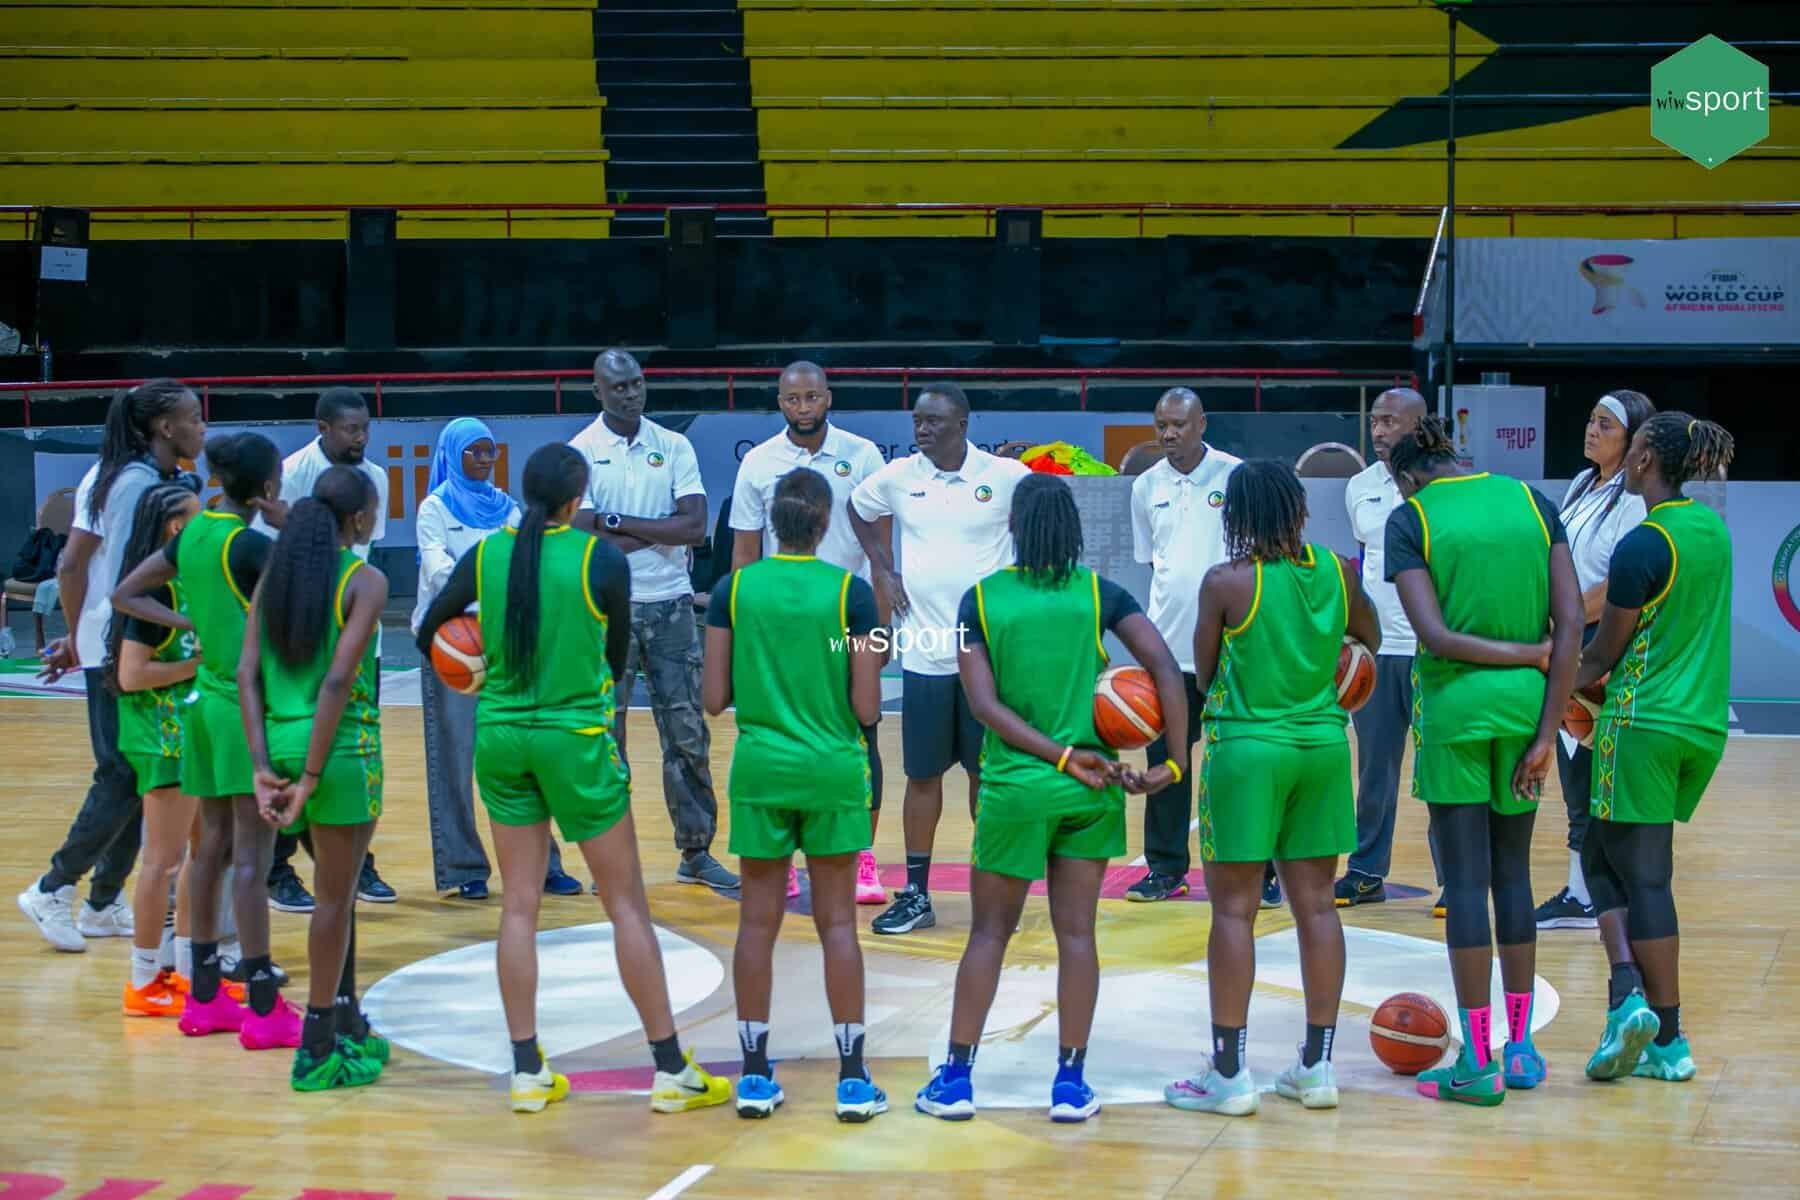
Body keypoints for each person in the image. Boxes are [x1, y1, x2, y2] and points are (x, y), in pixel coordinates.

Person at [418, 444, 731, 1116]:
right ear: (575, 498)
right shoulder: (602, 559)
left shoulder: (484, 555)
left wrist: (471, 665)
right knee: (625, 906)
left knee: (519, 907)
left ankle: (527, 1070)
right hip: (576, 740)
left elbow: (427, 631)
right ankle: (671, 1070)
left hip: (500, 740)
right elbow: (616, 657)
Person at [913, 473, 1186, 1123]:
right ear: (1074, 532)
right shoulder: (1102, 595)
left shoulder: (978, 601)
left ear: (1011, 528)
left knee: (988, 935)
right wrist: (1172, 764)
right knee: (1077, 936)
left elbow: (983, 704)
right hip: (1092, 790)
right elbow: (1167, 669)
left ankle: (954, 1081)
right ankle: (1070, 1085)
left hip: (1016, 788)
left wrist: (1059, 755)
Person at [1162, 461, 1381, 1116]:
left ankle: (1229, 1074)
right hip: (1321, 748)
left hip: (1247, 750)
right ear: (1299, 510)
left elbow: (1203, 674)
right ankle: (1316, 1068)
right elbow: (1367, 638)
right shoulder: (1338, 572)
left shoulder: (1227, 582)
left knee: (1233, 911)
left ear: (1234, 518)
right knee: (1317, 907)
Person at [1385, 416, 1582, 1106]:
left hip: (1456, 715)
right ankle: (1522, 1050)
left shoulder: (1412, 518)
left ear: (1407, 477)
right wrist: (1545, 729)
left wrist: (1525, 653)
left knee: (1466, 886)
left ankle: (1476, 1059)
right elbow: (1573, 626)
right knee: (1514, 878)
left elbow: (1434, 635)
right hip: (1529, 714)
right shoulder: (1534, 501)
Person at [704, 468, 889, 1122]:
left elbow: (712, 698)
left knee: (757, 925)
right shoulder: (851, 594)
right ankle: (854, 1079)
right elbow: (868, 708)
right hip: (833, 772)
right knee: (839, 925)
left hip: (760, 770)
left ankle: (754, 1075)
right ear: (823, 522)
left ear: (774, 522)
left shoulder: (734, 589)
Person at [114, 431, 302, 1050]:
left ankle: (202, 999)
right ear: (269, 485)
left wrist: (190, 620)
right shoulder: (250, 547)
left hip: (198, 709)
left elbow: (126, 593)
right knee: (251, 858)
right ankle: (264, 1005)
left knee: (212, 851)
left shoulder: (191, 535)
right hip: (244, 708)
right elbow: (307, 604)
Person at [18, 379, 205, 952]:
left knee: (141, 774)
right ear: (165, 427)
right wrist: (81, 639)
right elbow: (74, 566)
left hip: (124, 641)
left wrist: (82, 637)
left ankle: (103, 902)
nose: (203, 427)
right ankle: (53, 888)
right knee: (123, 775)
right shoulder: (130, 484)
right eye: (194, 417)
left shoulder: (136, 477)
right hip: (122, 647)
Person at [1574, 414, 1733, 1085]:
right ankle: (1638, 1008)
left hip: (1639, 723)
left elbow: (1602, 655)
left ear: (1642, 460)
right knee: (1629, 861)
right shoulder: (1712, 532)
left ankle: (1651, 1019)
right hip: (1700, 725)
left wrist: (1546, 687)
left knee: (1620, 866)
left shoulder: (1643, 546)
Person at [849, 382, 1031, 935]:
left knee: (987, 778)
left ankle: (994, 891)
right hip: (927, 654)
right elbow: (858, 508)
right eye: (917, 421)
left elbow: (1043, 528)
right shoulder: (899, 477)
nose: (922, 430)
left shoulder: (1006, 479)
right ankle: (917, 895)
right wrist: (882, 565)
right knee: (921, 778)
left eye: (933, 422)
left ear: (963, 424)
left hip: (988, 658)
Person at [240, 466, 391, 1090]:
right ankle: (320, 1043)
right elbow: (336, 680)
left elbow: (246, 673)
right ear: (358, 518)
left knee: (320, 890)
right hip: (339, 751)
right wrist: (308, 775)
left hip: (273, 738)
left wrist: (260, 767)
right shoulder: (366, 580)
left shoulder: (276, 575)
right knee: (335, 899)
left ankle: (347, 1022)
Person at [571, 349, 736, 893]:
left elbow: (695, 527)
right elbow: (584, 535)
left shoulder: (674, 445)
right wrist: (657, 528)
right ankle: (610, 860)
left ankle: (696, 851)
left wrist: (619, 524)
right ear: (598, 391)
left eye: (637, 383)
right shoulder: (580, 452)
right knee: (605, 737)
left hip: (671, 606)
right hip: (605, 609)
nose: (631, 393)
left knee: (687, 734)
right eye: (618, 387)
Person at [729, 361, 890, 905]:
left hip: (847, 614)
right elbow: (745, 552)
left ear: (828, 397)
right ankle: (790, 858)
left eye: (812, 397)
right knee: (781, 724)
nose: (803, 407)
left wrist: (880, 620)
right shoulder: (757, 462)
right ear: (780, 403)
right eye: (793, 399)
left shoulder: (862, 455)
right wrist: (741, 620)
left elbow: (879, 548)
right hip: (781, 621)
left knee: (861, 730)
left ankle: (863, 856)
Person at [414, 418, 581, 900]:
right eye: (475, 452)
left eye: (490, 452)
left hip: (506, 644)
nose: (486, 460)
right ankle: (463, 866)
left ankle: (544, 863)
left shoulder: (508, 507)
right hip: (452, 642)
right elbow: (441, 569)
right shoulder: (434, 507)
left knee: (524, 753)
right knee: (454, 758)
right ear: (453, 455)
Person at [256, 388, 395, 912]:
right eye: (350, 429)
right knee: (299, 744)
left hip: (352, 625)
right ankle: (278, 867)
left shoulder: (374, 478)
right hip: (300, 631)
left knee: (353, 745)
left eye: (365, 428)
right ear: (323, 428)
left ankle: (353, 860)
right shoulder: (292, 472)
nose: (360, 437)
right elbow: (277, 553)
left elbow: (357, 554)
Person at [1535, 390, 1655, 931]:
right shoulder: (1583, 484)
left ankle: (1598, 893)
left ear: (1632, 442)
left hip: (1599, 641)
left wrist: (1567, 620)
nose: (1591, 430)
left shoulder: (1633, 499)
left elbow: (1618, 586)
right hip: (1568, 635)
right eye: (1590, 419)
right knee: (1571, 769)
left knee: (1591, 769)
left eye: (1604, 424)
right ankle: (1582, 890)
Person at [1124, 387, 1243, 903]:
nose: (1168, 434)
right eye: (1161, 426)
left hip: (1234, 649)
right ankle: (1166, 869)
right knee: (1169, 761)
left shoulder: (1237, 477)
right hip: (1169, 652)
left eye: (1178, 425)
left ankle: (1256, 871)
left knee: (1239, 763)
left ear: (1202, 424)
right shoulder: (1145, 486)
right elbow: (1155, 565)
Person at [1337, 387, 1445, 916]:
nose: (1378, 431)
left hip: (1435, 649)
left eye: (1390, 422)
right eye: (1374, 422)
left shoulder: (1445, 487)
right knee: (1374, 770)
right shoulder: (1359, 487)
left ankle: (1455, 878)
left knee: (1441, 771)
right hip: (1379, 651)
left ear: (1419, 426)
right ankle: (1365, 872)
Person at [109, 482, 203, 1015]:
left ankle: (189, 972)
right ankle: (144, 981)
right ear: (175, 529)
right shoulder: (155, 593)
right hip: (160, 736)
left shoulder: (185, 583)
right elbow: (132, 674)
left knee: (201, 854)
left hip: (190, 733)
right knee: (164, 861)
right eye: (198, 516)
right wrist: (199, 664)